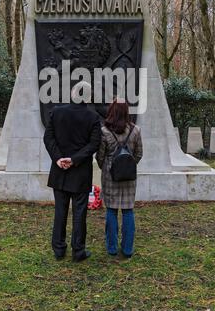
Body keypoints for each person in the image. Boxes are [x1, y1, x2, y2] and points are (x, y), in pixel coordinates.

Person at [43, 81, 101, 262]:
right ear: (88, 96)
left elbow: (48, 138)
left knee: (60, 211)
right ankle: (78, 251)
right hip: (80, 172)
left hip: (60, 170)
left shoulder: (56, 112)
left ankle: (59, 249)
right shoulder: (93, 117)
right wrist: (74, 160)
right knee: (79, 213)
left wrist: (58, 158)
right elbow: (94, 144)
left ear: (73, 94)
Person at [96, 98, 143, 258]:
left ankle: (112, 247)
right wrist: (128, 166)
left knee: (111, 210)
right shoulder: (136, 130)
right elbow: (139, 154)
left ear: (112, 111)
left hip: (110, 176)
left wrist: (107, 167)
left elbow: (100, 156)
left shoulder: (105, 131)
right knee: (128, 211)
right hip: (129, 177)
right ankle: (128, 249)